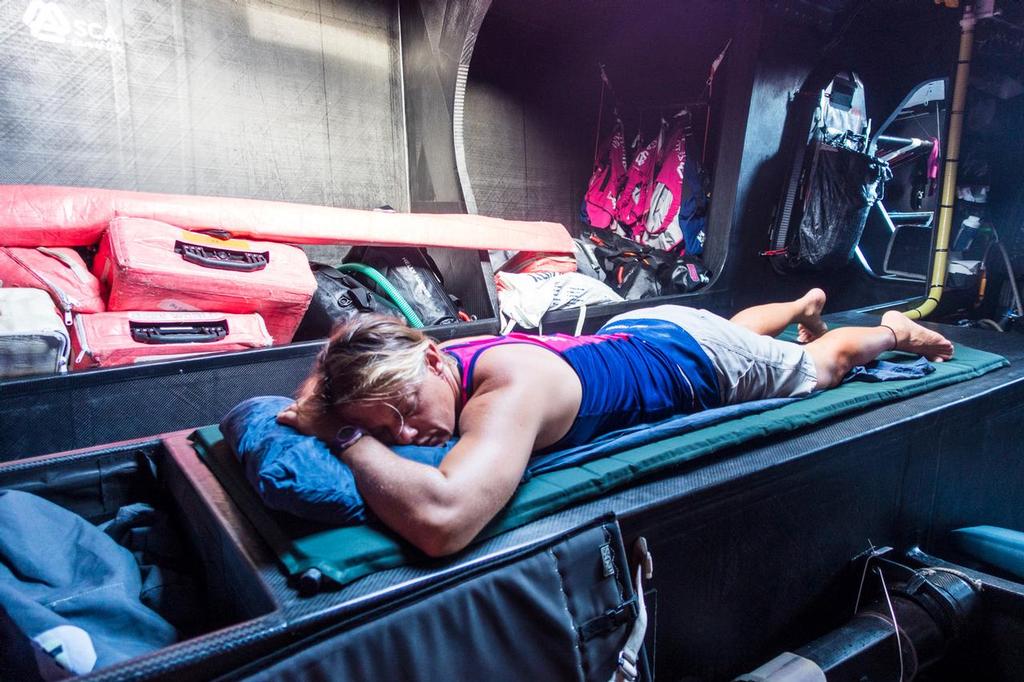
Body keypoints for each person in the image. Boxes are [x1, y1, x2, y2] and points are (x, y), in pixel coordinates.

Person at [277, 289, 953, 557]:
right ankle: (802, 302)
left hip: (697, 362)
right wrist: (329, 407)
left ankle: (892, 331)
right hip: (644, 332)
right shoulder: (427, 358)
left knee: (820, 364)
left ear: (431, 357)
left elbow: (443, 522)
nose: (404, 434)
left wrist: (345, 437)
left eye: (402, 412)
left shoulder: (506, 390)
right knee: (739, 335)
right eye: (380, 424)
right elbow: (330, 367)